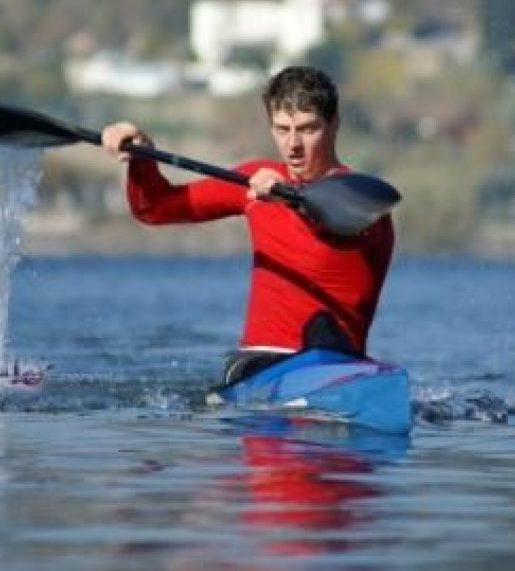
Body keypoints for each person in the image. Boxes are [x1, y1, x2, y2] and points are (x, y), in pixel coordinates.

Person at [101, 65, 394, 385]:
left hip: (338, 362)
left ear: (334, 125)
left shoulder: (361, 201)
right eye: (282, 129)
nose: (293, 145)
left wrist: (289, 197)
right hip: (260, 360)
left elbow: (336, 226)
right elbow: (155, 208)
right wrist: (141, 156)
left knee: (322, 328)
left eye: (308, 129)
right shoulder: (255, 180)